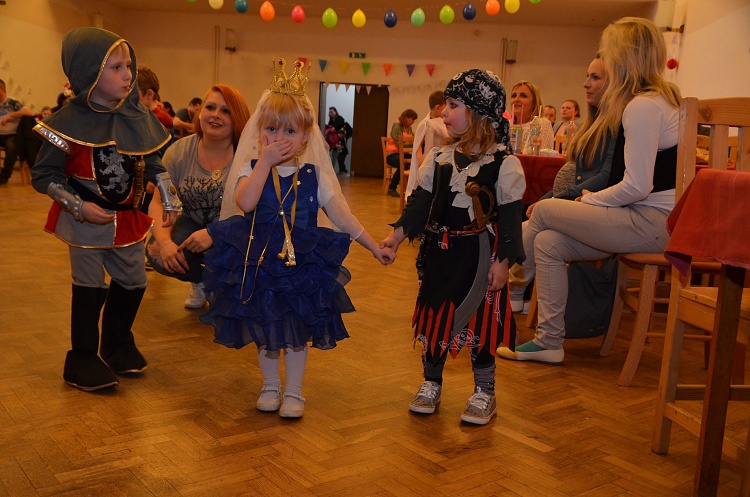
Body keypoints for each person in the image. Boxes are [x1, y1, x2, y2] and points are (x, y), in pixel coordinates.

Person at [200, 59, 395, 418]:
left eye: (289, 131)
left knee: (295, 332)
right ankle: (270, 386)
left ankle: (294, 392)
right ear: (259, 132)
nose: (279, 138)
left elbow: (342, 216)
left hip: (300, 265)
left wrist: (372, 246)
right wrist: (263, 164)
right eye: (271, 129)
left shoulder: (314, 176)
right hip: (260, 262)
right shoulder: (250, 169)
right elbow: (246, 202)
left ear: (305, 137)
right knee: (265, 328)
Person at [498, 17, 681, 364]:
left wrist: (589, 199)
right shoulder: (658, 100)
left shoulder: (643, 106)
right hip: (645, 219)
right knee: (548, 242)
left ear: (623, 57)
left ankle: (497, 281)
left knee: (545, 210)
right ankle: (549, 341)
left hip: (651, 223)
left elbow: (637, 186)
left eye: (609, 54)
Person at [30, 27, 181, 391]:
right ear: (90, 72)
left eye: (128, 65)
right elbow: (44, 175)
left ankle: (117, 344)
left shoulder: (137, 115)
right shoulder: (62, 125)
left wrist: (168, 193)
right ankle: (82, 359)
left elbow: (152, 159)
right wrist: (77, 206)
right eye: (116, 67)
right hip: (84, 222)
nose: (128, 75)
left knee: (134, 280)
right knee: (89, 287)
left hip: (126, 218)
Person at [380, 68, 525, 425]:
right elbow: (420, 205)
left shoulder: (504, 164)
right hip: (440, 255)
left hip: (479, 258)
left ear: (479, 113)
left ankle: (484, 391)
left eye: (454, 105)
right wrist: (396, 236)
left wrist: (504, 262)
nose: (444, 112)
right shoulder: (439, 158)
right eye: (445, 104)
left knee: (481, 322)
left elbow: (510, 221)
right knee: (436, 316)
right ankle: (431, 382)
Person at [508, 55, 611, 314]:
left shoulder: (613, 126)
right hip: (573, 197)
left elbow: (603, 177)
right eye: (587, 76)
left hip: (590, 204)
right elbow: (577, 175)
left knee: (537, 224)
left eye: (594, 77)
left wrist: (554, 200)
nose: (585, 83)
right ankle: (521, 295)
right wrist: (549, 198)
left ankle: (513, 288)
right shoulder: (592, 127)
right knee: (527, 225)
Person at [147, 84, 250, 309]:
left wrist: (215, 233)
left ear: (237, 118)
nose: (216, 115)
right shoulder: (178, 152)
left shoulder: (247, 156)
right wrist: (165, 243)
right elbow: (158, 202)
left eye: (226, 111)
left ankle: (225, 284)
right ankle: (202, 281)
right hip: (191, 222)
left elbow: (253, 212)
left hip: (234, 230)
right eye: (210, 107)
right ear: (200, 113)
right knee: (155, 252)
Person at [404, 90, 448, 198]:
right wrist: (422, 163)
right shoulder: (426, 124)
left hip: (442, 160)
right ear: (438, 107)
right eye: (446, 107)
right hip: (428, 162)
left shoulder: (443, 122)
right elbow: (418, 147)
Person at [0, 78, 34, 184]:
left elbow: (28, 112)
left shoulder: (12, 103)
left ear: (2, 90)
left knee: (11, 148)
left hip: (11, 135)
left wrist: (11, 115)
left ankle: (4, 175)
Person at [509, 80, 554, 152]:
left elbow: (541, 155)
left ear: (534, 102)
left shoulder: (542, 124)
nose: (516, 99)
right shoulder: (506, 125)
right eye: (513, 96)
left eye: (523, 96)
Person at [384, 108, 418, 197]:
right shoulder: (397, 127)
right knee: (403, 163)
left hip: (403, 154)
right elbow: (399, 144)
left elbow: (413, 140)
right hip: (392, 154)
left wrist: (412, 142)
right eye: (412, 119)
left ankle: (411, 188)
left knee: (416, 161)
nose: (413, 122)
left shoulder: (409, 129)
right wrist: (412, 143)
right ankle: (392, 188)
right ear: (406, 117)